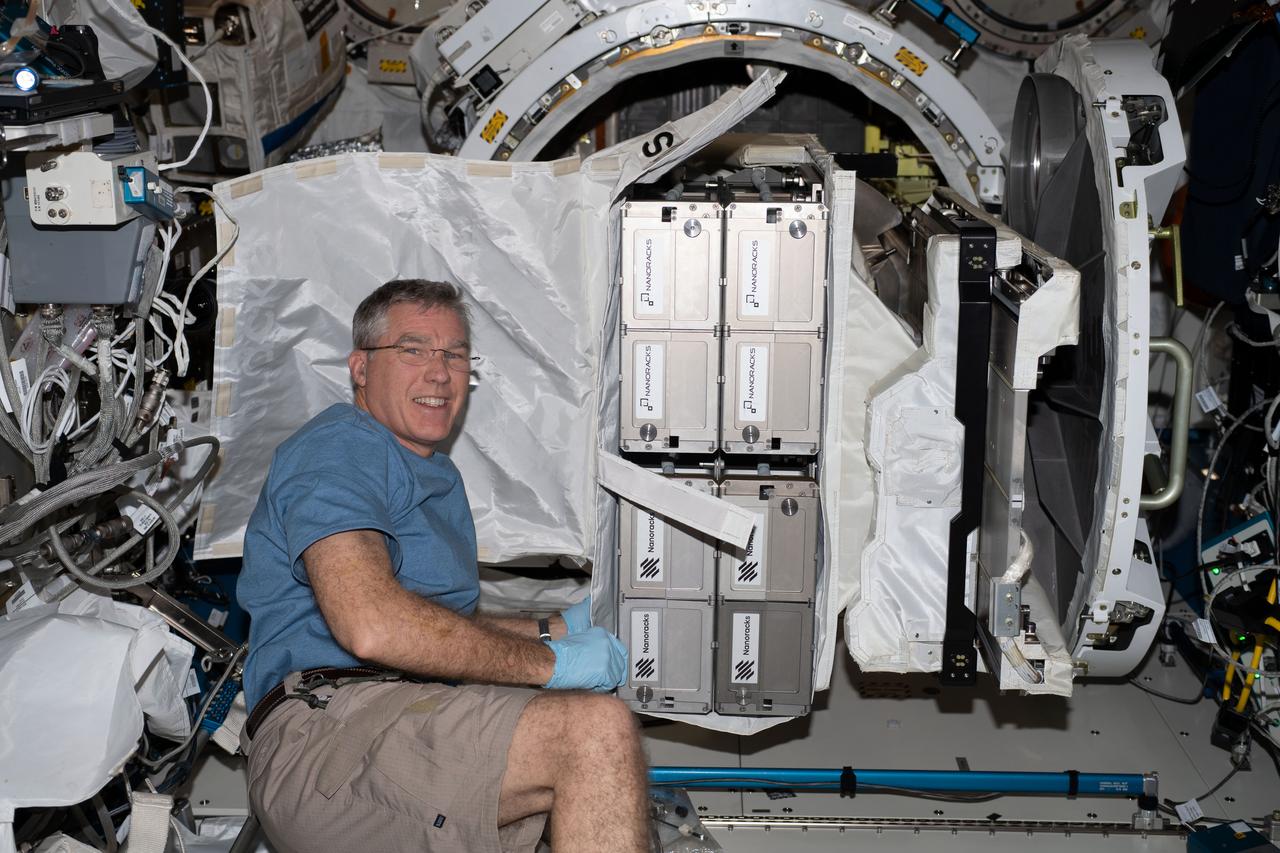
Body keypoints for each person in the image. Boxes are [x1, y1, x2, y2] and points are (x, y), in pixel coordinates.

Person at [236, 279, 650, 852]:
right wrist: (548, 663)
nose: (439, 373)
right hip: (326, 732)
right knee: (593, 733)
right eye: (413, 350)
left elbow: (428, 627)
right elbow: (372, 624)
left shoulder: (434, 475)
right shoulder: (340, 447)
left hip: (394, 716)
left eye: (455, 355)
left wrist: (553, 628)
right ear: (360, 368)